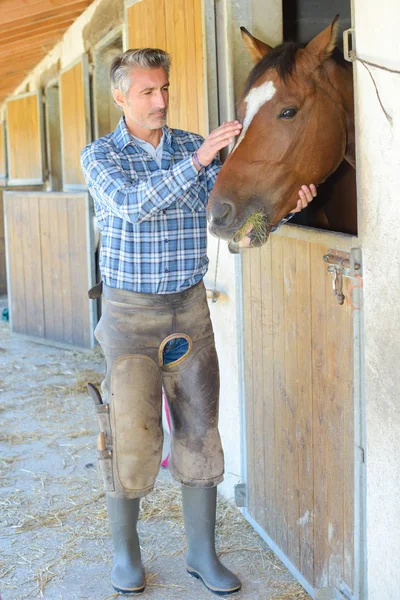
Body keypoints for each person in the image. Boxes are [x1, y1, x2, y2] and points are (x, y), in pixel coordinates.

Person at [81, 48, 316, 596]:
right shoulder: (101, 156)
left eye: (164, 88)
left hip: (188, 309)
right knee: (132, 437)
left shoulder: (198, 147)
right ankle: (125, 554)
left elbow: (239, 231)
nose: (161, 100)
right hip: (128, 315)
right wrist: (198, 164)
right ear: (120, 97)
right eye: (147, 91)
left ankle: (201, 555)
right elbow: (132, 205)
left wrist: (285, 212)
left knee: (200, 434)